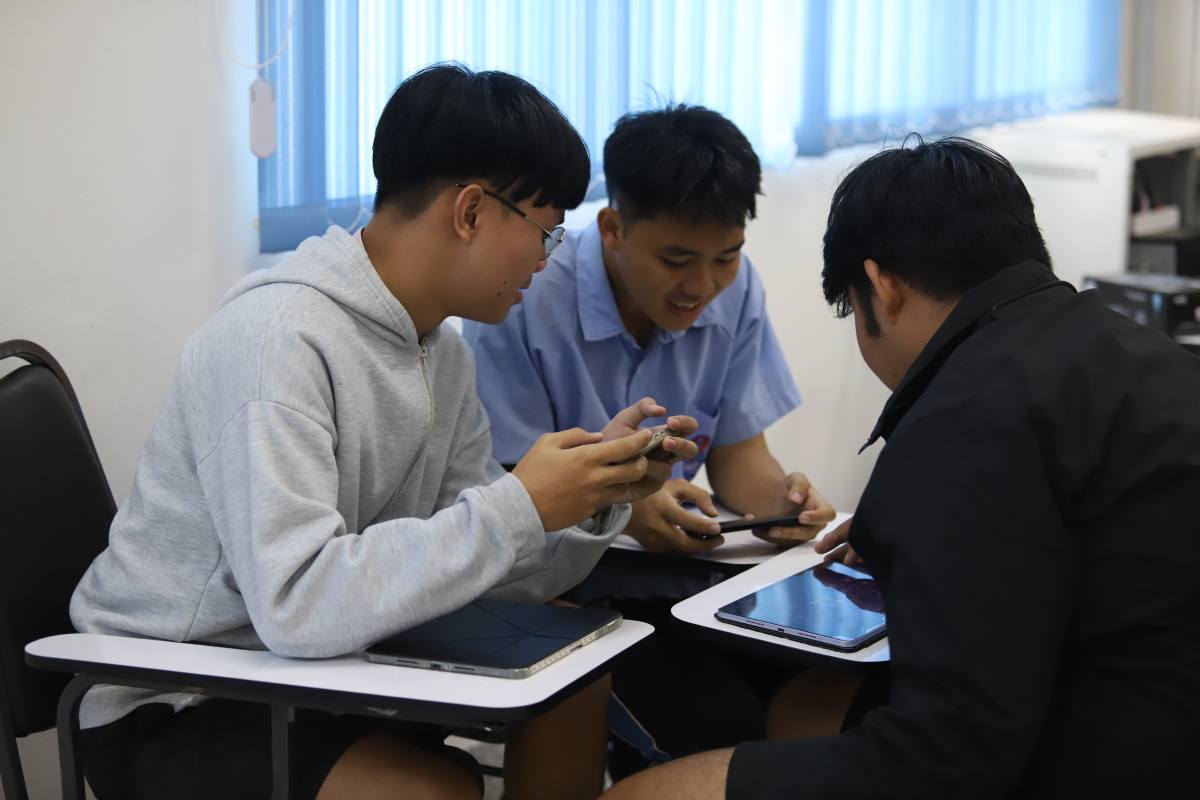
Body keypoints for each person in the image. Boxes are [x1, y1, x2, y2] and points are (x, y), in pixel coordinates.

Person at [68, 63, 698, 800]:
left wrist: (592, 495)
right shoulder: (277, 341)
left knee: (575, 680)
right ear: (470, 211)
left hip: (320, 666)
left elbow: (486, 564)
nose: (545, 258)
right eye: (545, 230)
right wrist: (517, 505)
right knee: (435, 791)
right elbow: (296, 602)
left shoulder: (443, 353)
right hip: (183, 690)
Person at [602, 136, 1200, 799]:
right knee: (803, 708)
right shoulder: (1147, 355)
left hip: (1117, 750)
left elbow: (944, 757)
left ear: (881, 288)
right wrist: (925, 536)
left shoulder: (962, 418)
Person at [463, 105, 838, 774]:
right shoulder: (523, 293)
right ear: (612, 228)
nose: (703, 285)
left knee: (811, 688)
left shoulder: (735, 292)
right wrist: (626, 507)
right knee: (715, 727)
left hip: (684, 578)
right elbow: (505, 485)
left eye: (726, 257)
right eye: (676, 259)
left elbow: (738, 456)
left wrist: (782, 503)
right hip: (562, 582)